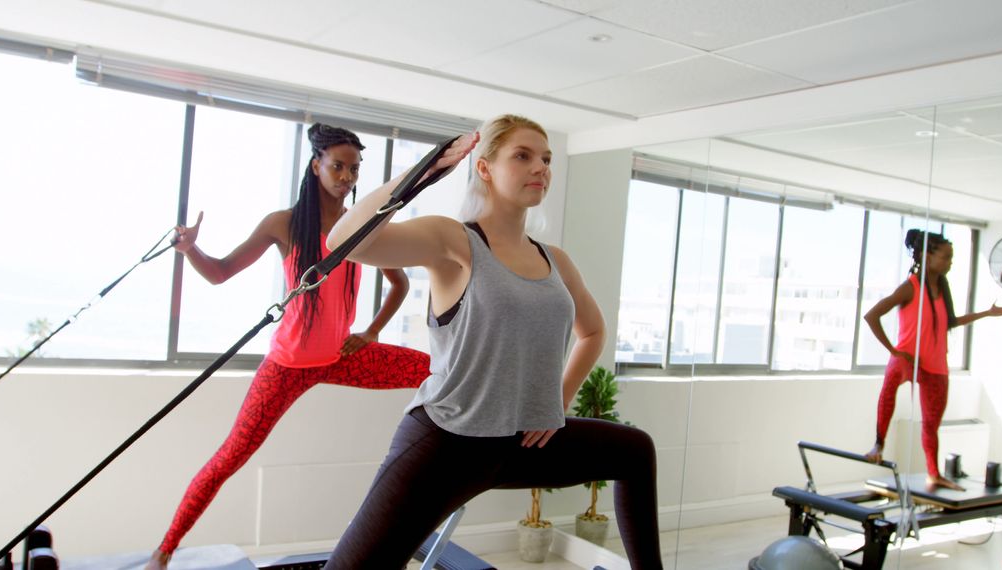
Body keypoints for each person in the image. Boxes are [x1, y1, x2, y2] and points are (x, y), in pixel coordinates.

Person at [323, 115, 663, 569]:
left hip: (519, 445)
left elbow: (593, 331)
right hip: (445, 441)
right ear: (484, 168)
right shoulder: (454, 240)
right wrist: (419, 174)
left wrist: (556, 402)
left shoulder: (556, 260)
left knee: (634, 451)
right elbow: (344, 243)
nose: (540, 167)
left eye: (546, 158)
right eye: (522, 156)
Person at [146, 124, 430, 570]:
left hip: (341, 358)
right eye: (337, 166)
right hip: (286, 366)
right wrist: (190, 251)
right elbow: (221, 273)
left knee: (435, 370)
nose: (346, 177)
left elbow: (398, 282)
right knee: (229, 458)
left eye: (354, 169)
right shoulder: (283, 224)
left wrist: (373, 331)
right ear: (316, 166)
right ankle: (163, 553)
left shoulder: (362, 225)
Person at [863, 229, 1002, 490]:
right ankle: (878, 444)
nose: (950, 262)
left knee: (932, 424)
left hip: (935, 365)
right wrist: (893, 350)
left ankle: (934, 473)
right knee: (888, 392)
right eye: (945, 257)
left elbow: (950, 323)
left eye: (951, 257)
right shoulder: (911, 287)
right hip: (908, 357)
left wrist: (988, 313)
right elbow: (872, 315)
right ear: (926, 256)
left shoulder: (942, 288)